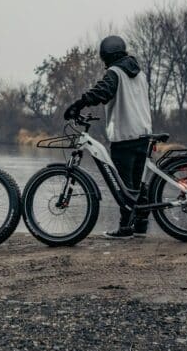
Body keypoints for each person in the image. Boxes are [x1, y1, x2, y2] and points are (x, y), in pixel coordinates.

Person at [63, 35, 152, 239]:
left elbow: (102, 92)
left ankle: (125, 228)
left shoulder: (115, 72)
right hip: (144, 133)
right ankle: (140, 225)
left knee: (125, 187)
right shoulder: (140, 74)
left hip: (125, 136)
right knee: (137, 185)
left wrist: (79, 104)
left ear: (106, 56)